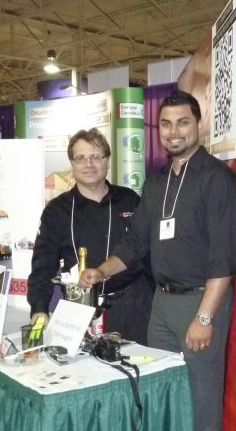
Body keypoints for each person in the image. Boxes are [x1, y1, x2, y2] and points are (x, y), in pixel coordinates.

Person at [79, 91, 236, 431]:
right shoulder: (156, 182)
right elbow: (135, 245)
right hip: (161, 306)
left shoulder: (217, 180)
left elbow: (224, 260)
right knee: (163, 406)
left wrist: (205, 318)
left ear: (199, 125)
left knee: (203, 418)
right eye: (165, 125)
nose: (173, 132)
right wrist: (100, 270)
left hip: (199, 304)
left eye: (182, 123)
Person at [27, 127, 152, 344]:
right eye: (81, 158)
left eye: (96, 157)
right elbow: (43, 265)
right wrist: (39, 308)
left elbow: (147, 252)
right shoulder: (57, 211)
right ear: (72, 164)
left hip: (133, 307)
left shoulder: (129, 200)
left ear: (107, 161)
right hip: (79, 311)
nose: (89, 164)